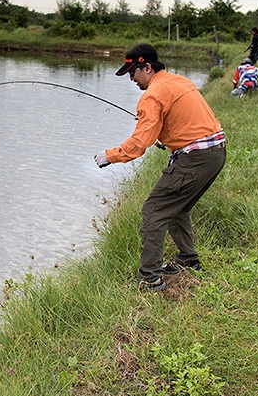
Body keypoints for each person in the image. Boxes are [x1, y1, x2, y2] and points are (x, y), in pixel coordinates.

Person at [94, 44, 226, 292]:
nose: (132, 79)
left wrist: (107, 157)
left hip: (195, 158)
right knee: (177, 208)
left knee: (154, 211)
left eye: (133, 72)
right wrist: (158, 128)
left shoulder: (153, 95)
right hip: (216, 153)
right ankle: (188, 261)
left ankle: (150, 279)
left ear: (147, 67)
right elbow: (184, 120)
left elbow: (138, 145)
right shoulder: (179, 82)